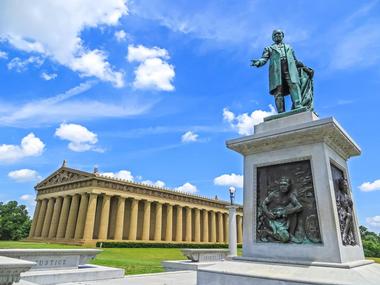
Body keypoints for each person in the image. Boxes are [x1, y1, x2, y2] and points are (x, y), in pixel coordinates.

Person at [251, 30, 309, 113]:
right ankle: (281, 111)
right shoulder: (269, 48)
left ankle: (298, 105)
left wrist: (304, 67)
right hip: (276, 71)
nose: (277, 35)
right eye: (275, 34)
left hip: (290, 69)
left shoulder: (289, 47)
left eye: (279, 34)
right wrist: (258, 62)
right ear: (272, 38)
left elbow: (295, 60)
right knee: (278, 90)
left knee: (294, 85)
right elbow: (264, 58)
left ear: (282, 35)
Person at [260, 176, 303, 243]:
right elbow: (263, 204)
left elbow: (299, 206)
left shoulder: (290, 196)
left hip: (283, 218)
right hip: (272, 218)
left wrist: (286, 212)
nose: (283, 186)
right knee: (285, 238)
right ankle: (266, 232)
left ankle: (291, 235)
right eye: (281, 184)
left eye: (285, 184)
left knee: (293, 213)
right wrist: (268, 213)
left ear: (289, 186)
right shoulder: (273, 194)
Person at [336, 177, 356, 245]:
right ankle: (344, 235)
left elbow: (350, 206)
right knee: (349, 216)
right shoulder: (339, 193)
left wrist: (351, 203)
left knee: (350, 216)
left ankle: (348, 237)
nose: (346, 186)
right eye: (344, 184)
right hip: (341, 212)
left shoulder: (347, 196)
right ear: (341, 186)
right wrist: (343, 212)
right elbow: (338, 204)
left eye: (346, 184)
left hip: (347, 213)